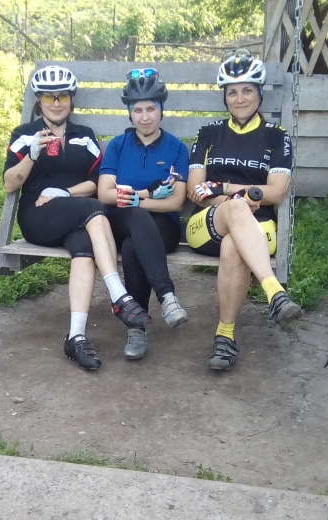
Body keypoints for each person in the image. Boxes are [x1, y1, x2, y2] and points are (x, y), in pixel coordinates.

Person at [4, 65, 150, 371]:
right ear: (39, 101)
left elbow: (95, 183)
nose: (56, 103)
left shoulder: (84, 136)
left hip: (74, 214)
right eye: (49, 97)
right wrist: (31, 155)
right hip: (38, 216)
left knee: (85, 249)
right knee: (94, 209)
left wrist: (65, 192)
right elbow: (10, 183)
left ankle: (76, 336)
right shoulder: (24, 135)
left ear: (71, 99)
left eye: (63, 96)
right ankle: (119, 295)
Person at [185, 49, 304, 371]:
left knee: (233, 247)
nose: (240, 99)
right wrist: (236, 198)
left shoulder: (276, 137)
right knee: (237, 208)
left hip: (258, 227)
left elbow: (276, 192)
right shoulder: (208, 134)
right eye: (232, 92)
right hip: (205, 224)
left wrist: (223, 187)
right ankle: (274, 292)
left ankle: (225, 336)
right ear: (225, 97)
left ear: (259, 94)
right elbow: (195, 190)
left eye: (247, 90)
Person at [97, 69, 190, 360]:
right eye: (137, 110)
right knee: (134, 219)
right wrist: (145, 196)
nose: (145, 117)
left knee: (132, 246)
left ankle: (136, 327)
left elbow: (176, 202)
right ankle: (167, 297)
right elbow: (104, 194)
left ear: (161, 110)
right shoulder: (117, 145)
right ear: (129, 113)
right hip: (120, 220)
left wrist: (136, 199)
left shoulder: (177, 148)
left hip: (164, 227)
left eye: (151, 109)